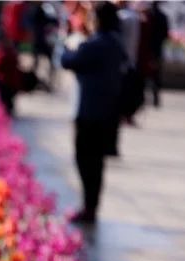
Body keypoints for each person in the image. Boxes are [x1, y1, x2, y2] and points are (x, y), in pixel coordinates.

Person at [61, 2, 127, 224]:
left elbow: (67, 61)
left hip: (89, 111)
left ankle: (88, 207)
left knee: (85, 160)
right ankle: (91, 206)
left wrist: (68, 43)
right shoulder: (117, 43)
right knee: (97, 163)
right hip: (108, 112)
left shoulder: (95, 45)